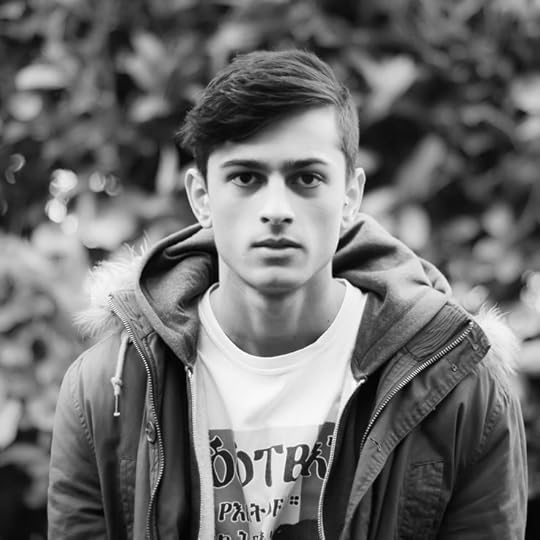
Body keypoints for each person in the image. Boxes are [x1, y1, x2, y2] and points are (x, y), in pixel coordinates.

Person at [47, 50, 527, 539]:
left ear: (350, 196)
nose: (276, 209)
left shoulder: (458, 388)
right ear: (201, 197)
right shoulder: (107, 389)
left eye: (306, 178)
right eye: (246, 177)